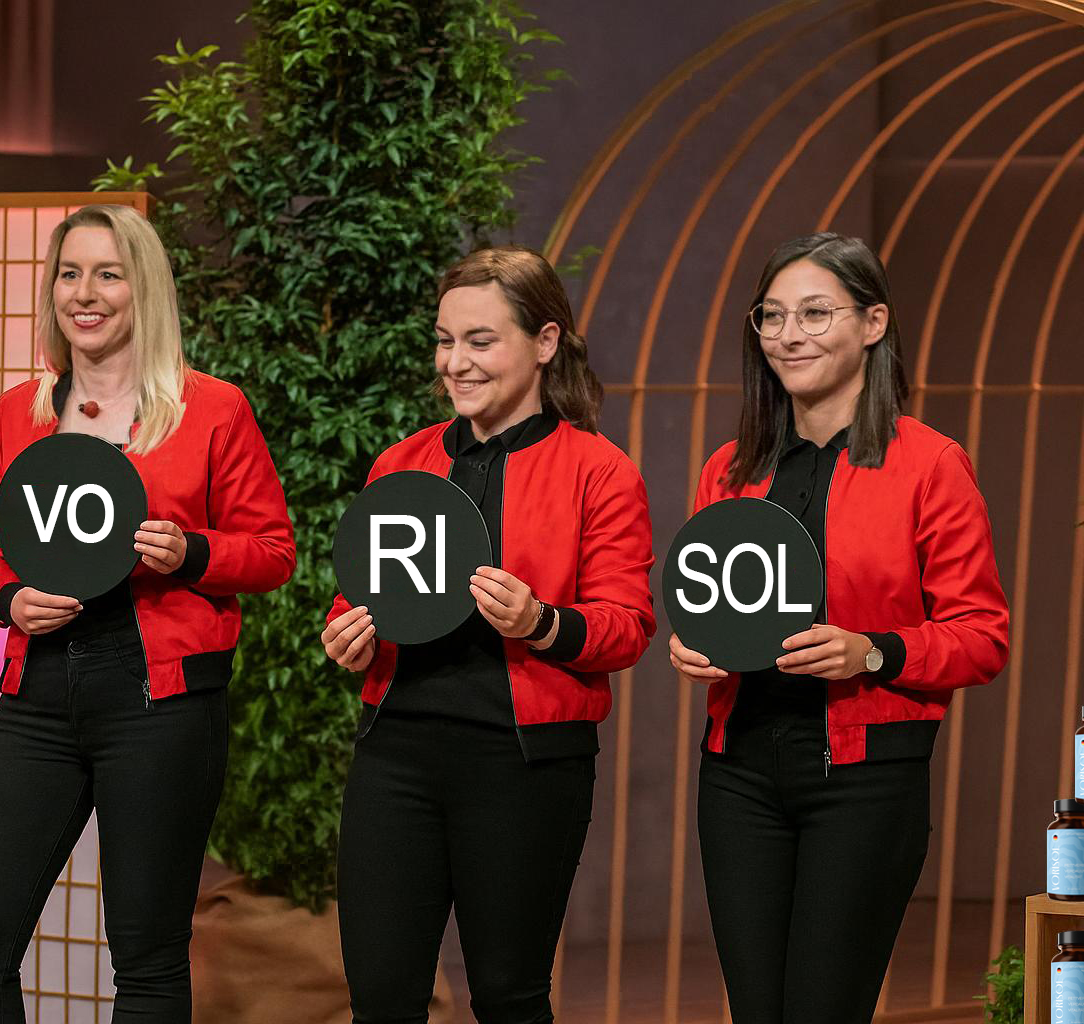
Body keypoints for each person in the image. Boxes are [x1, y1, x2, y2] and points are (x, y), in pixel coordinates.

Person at [0, 204, 296, 1022]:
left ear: (145, 289)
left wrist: (190, 552)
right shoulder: (19, 412)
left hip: (160, 701)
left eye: (109, 274)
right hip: (38, 694)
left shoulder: (212, 409)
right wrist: (10, 599)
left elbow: (273, 551)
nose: (85, 293)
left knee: (147, 957)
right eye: (69, 274)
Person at [669, 233, 1009, 1023]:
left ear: (873, 323)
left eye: (816, 314)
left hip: (865, 782)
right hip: (737, 773)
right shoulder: (730, 469)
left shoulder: (930, 465)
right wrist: (696, 645)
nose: (789, 335)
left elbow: (981, 635)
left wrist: (872, 651)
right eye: (772, 316)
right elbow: (710, 607)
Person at [321, 246, 655, 1024]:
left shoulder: (599, 472)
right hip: (395, 753)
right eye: (445, 341)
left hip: (524, 764)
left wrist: (542, 622)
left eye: (480, 341)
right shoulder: (400, 464)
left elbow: (628, 626)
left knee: (508, 995)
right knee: (380, 996)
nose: (455, 363)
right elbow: (355, 597)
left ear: (544, 343)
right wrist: (346, 633)